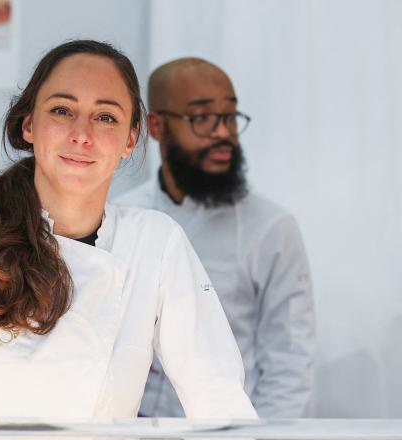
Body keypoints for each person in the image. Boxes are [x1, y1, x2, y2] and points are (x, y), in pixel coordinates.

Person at [0, 40, 257, 420]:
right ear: (29, 125)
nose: (81, 134)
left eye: (105, 117)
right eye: (61, 110)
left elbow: (215, 391)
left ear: (130, 138)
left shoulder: (154, 242)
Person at [116, 57, 315, 418]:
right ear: (157, 126)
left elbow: (289, 361)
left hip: (228, 429)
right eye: (202, 118)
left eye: (229, 117)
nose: (223, 133)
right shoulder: (124, 216)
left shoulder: (270, 228)